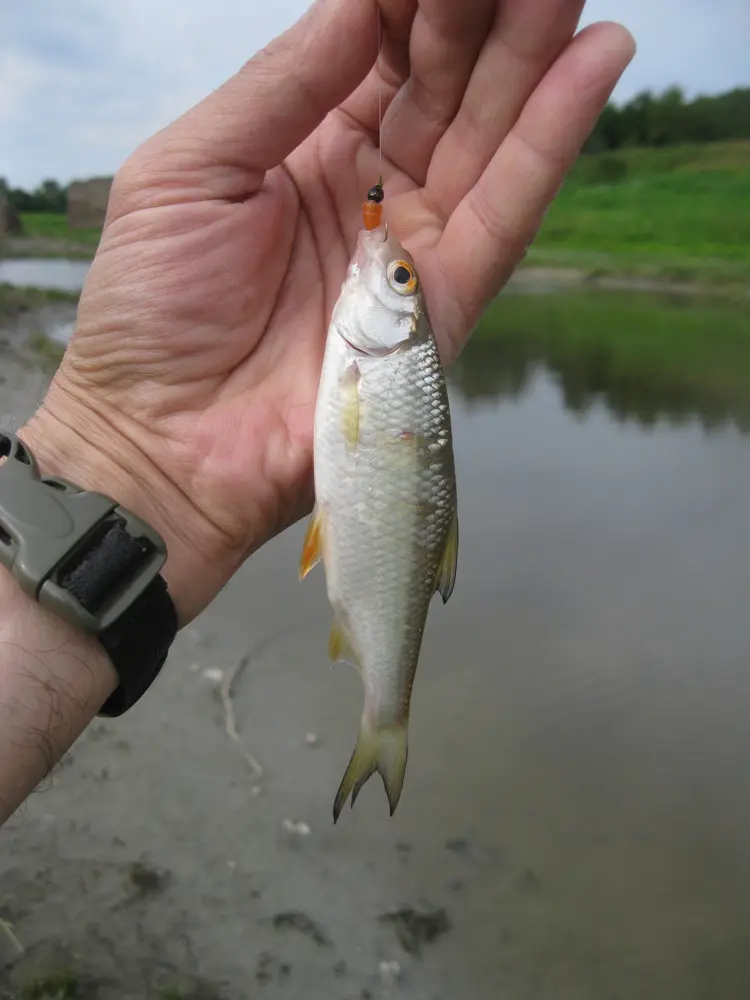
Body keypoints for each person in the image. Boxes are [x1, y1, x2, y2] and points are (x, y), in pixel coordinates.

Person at [0, 0, 634, 827]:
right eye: (402, 280)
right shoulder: (376, 349)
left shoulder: (385, 357)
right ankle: (387, 716)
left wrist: (118, 471)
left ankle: (385, 719)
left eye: (399, 283)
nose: (388, 267)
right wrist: (123, 458)